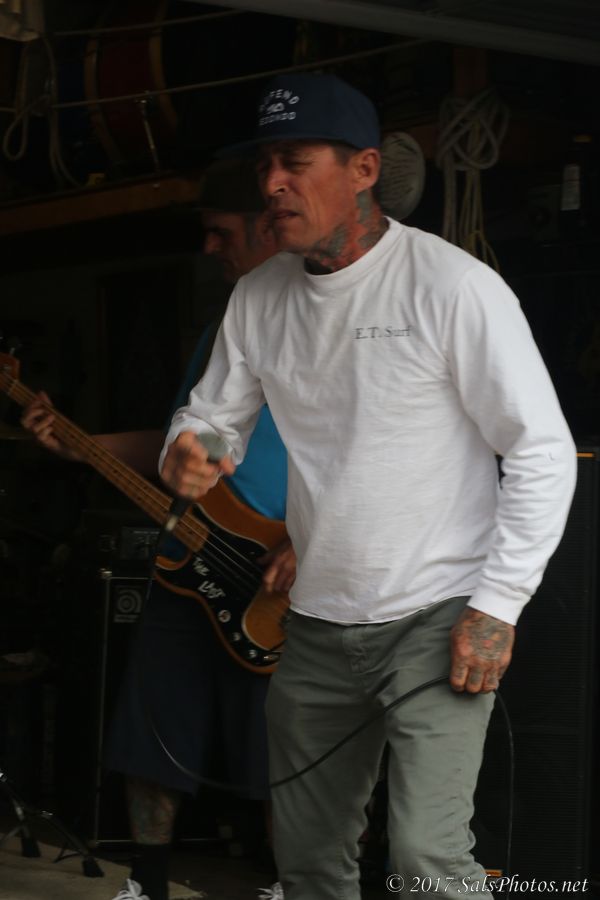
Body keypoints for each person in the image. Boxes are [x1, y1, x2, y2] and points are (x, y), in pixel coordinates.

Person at [159, 73, 578, 900]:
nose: (272, 183)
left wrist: (497, 605)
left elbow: (541, 450)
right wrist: (190, 449)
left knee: (426, 862)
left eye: (295, 161)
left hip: (438, 615)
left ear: (364, 168)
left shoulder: (451, 285)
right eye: (264, 164)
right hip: (316, 624)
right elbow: (213, 416)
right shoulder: (259, 295)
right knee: (308, 864)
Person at [21, 158, 293, 900]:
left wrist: (313, 542)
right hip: (186, 560)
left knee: (283, 749)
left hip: (273, 569)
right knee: (152, 728)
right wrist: (80, 444)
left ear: (269, 229)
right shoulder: (218, 333)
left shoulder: (320, 328)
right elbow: (180, 446)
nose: (209, 247)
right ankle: (146, 884)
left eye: (221, 231)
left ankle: (290, 884)